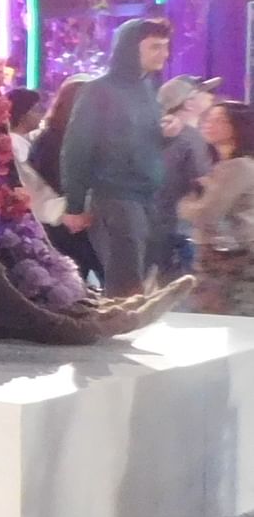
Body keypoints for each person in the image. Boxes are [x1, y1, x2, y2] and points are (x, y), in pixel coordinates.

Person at [58, 17, 172, 295]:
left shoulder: (147, 89)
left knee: (138, 277)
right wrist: (74, 205)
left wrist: (170, 133)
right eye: (155, 47)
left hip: (146, 197)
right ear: (131, 50)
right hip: (115, 197)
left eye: (165, 47)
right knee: (125, 281)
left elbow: (146, 142)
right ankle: (120, 334)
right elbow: (77, 148)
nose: (164, 54)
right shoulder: (98, 91)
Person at [181, 100, 254, 316]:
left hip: (231, 258)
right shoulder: (226, 166)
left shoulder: (238, 167)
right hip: (225, 255)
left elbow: (207, 214)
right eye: (209, 118)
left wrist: (185, 204)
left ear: (238, 126)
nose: (209, 124)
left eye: (220, 120)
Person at [24, 77, 98, 286]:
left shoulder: (54, 138)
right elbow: (53, 181)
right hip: (64, 222)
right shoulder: (52, 140)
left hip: (73, 220)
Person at [156, 75, 218, 277]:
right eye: (205, 92)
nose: (211, 96)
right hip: (179, 230)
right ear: (189, 103)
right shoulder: (192, 138)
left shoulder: (160, 133)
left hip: (156, 225)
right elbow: (204, 183)